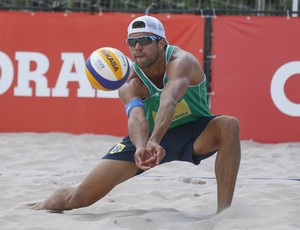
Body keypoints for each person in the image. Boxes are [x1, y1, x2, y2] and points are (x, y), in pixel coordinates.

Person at [27, 15, 241, 214]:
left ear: (161, 43)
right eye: (132, 42)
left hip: (193, 131)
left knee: (229, 125)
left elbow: (170, 99)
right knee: (79, 197)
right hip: (146, 139)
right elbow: (136, 116)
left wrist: (156, 139)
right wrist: (141, 146)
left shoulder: (181, 61)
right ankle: (40, 205)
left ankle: (224, 214)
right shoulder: (129, 81)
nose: (137, 47)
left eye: (145, 40)